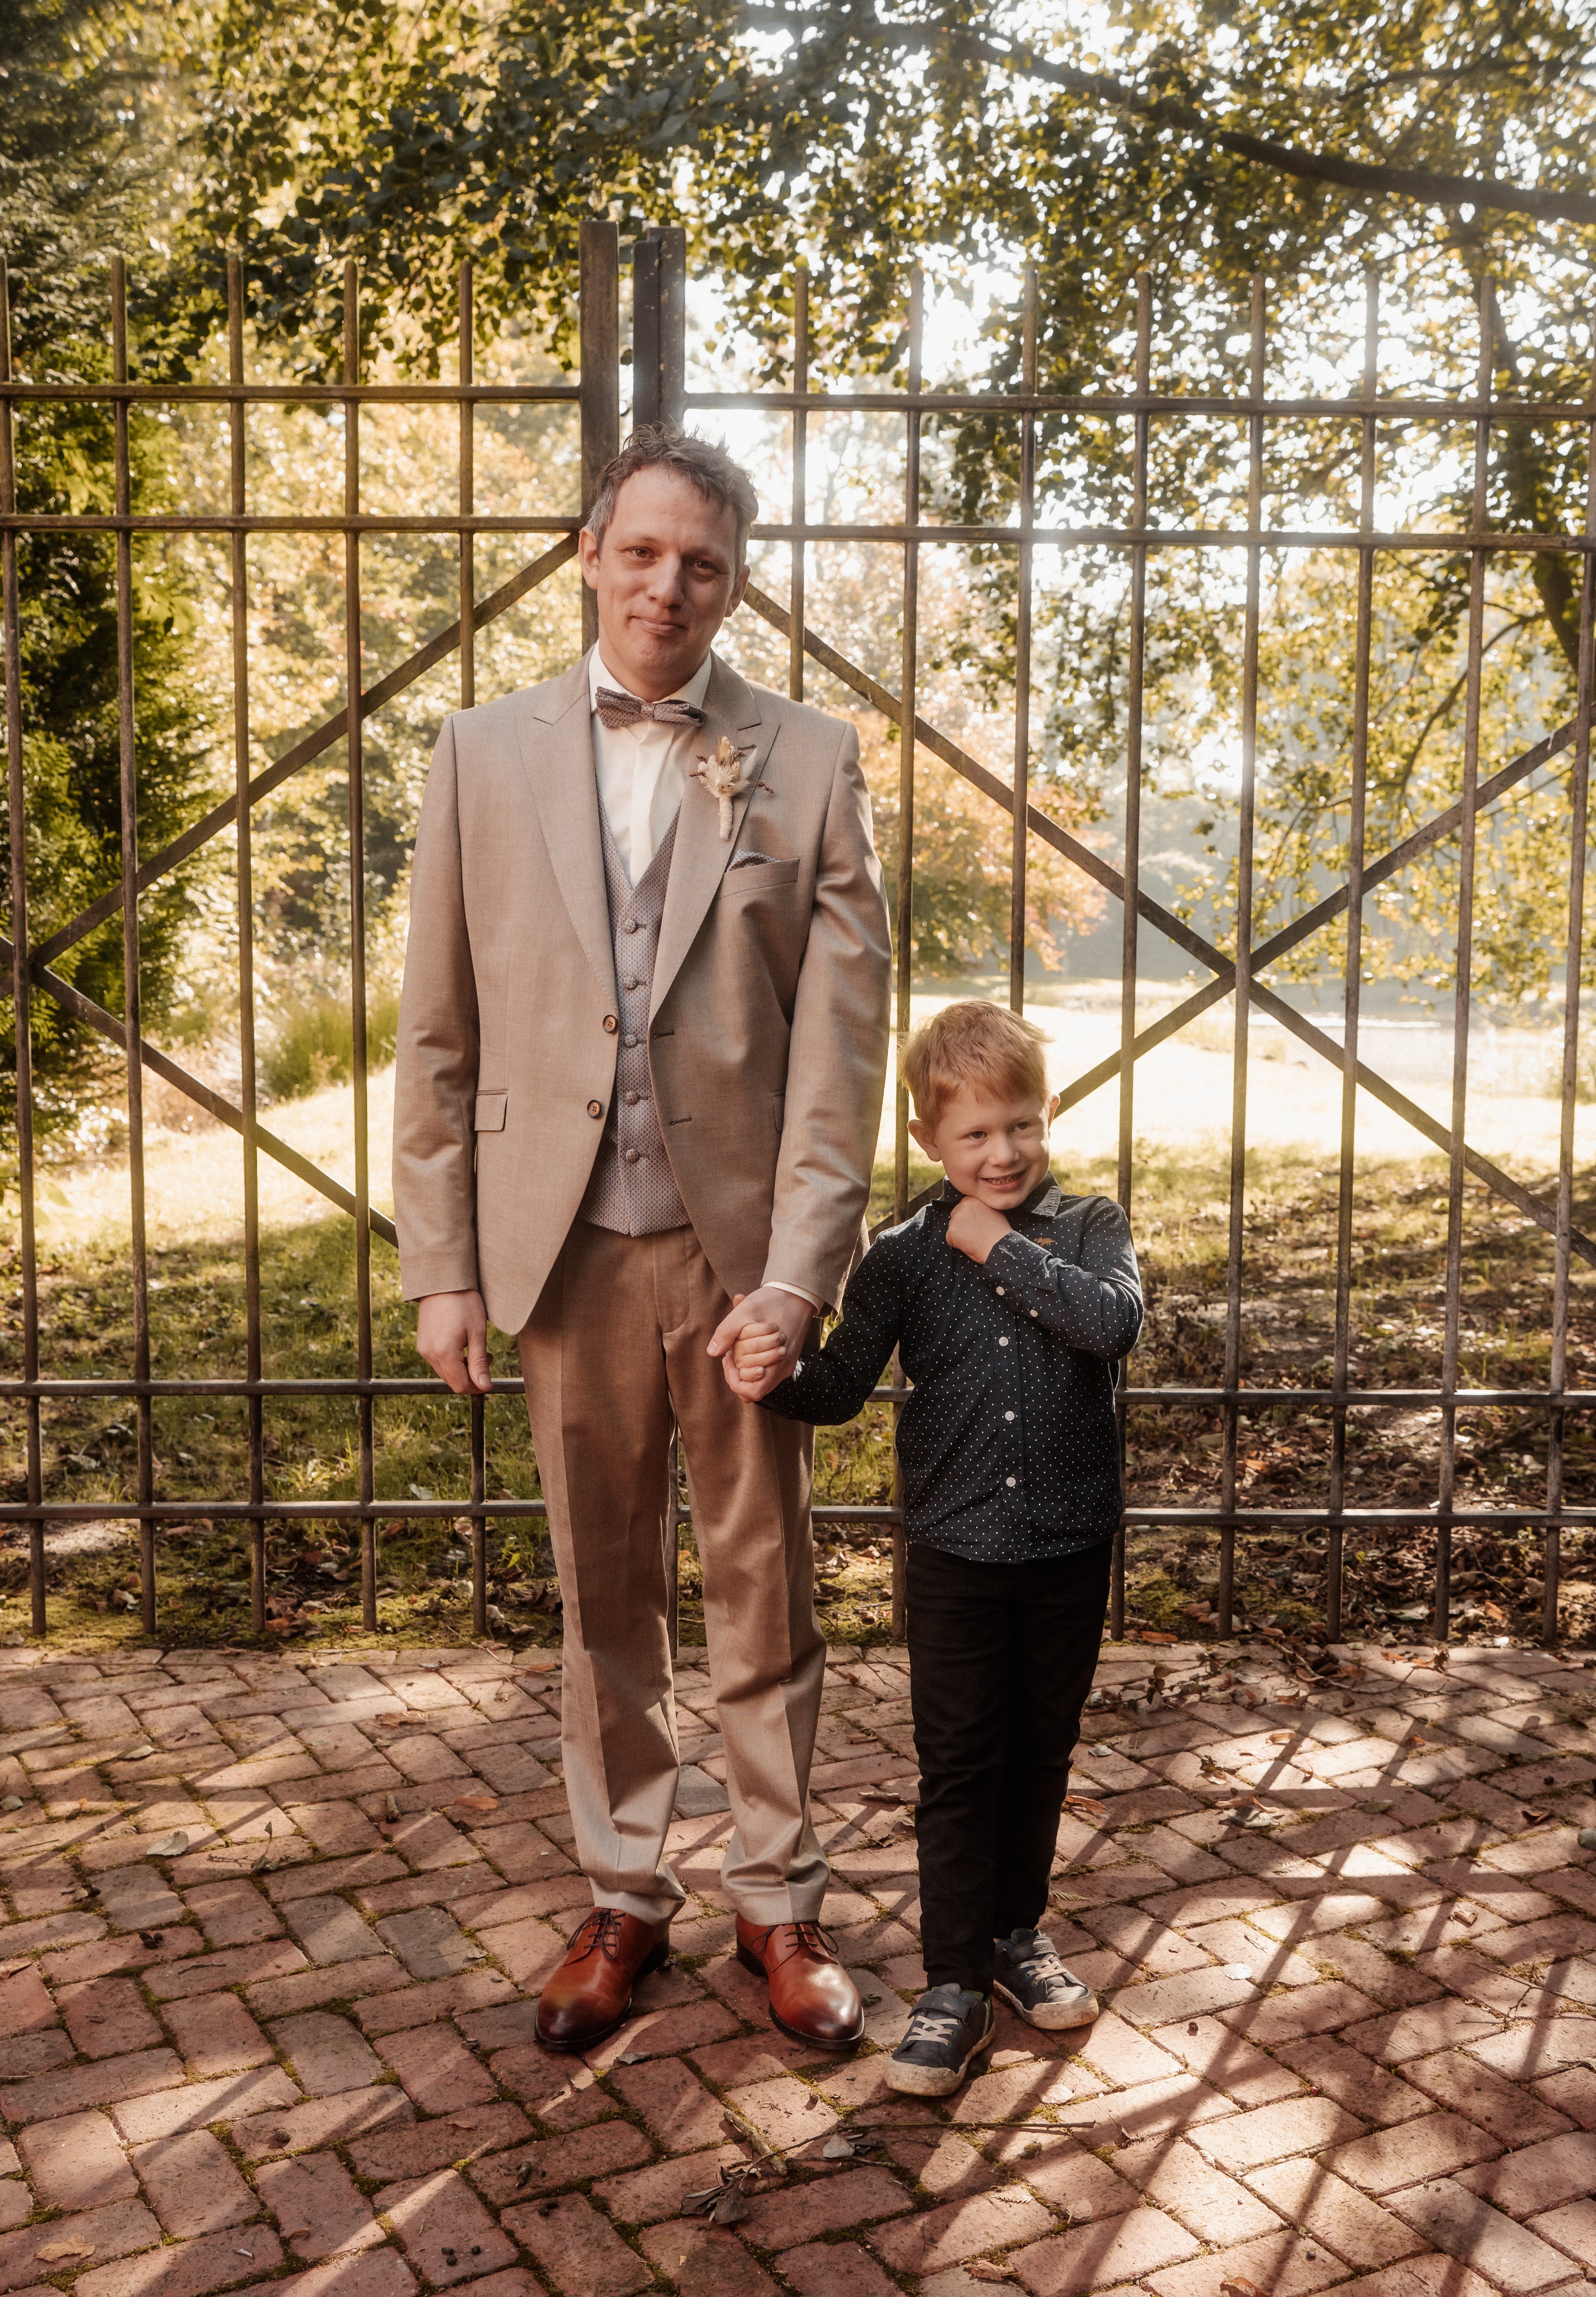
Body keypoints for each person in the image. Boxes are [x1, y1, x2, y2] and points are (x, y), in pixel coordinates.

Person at [393, 424, 891, 2052]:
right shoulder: (478, 752)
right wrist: (443, 1266)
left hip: (737, 1256)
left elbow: (840, 1051)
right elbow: (438, 1034)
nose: (669, 586)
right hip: (562, 1256)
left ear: (733, 585)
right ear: (589, 557)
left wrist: (800, 1276)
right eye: (643, 552)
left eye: (704, 565)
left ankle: (778, 1902)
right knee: (601, 1595)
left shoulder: (808, 757)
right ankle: (623, 1895)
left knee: (764, 1589)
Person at [732, 1000, 1143, 2093]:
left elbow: (1111, 1325)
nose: (1002, 1153)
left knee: (1040, 1755)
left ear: (1048, 1114)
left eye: (1021, 1126)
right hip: (958, 1554)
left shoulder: (1090, 1228)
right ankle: (952, 1983)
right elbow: (840, 1385)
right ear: (928, 1140)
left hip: (1066, 1548)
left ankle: (1016, 1936)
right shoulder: (905, 1256)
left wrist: (998, 1245)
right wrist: (775, 1373)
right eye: (975, 1135)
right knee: (961, 1766)